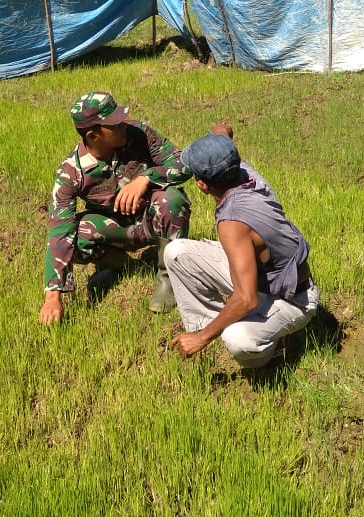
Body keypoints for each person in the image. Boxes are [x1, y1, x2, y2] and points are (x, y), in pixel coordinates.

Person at [167, 125, 318, 368]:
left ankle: (265, 350)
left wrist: (202, 339)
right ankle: (203, 327)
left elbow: (247, 299)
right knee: (176, 253)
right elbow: (225, 135)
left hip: (293, 298)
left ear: (202, 185)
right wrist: (222, 133)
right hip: (262, 276)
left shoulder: (233, 223)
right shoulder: (245, 174)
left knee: (237, 339)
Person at [39, 92, 192, 324]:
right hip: (115, 231)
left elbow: (183, 162)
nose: (123, 125)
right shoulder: (71, 173)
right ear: (93, 136)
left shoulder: (138, 133)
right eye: (113, 124)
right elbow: (60, 231)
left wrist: (147, 178)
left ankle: (169, 278)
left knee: (172, 200)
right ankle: (120, 265)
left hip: (151, 219)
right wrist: (52, 296)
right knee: (77, 235)